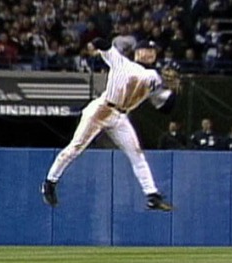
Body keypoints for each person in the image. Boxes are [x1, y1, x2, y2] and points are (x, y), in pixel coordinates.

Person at [41, 39, 178, 211]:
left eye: (153, 50)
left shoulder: (155, 79)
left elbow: (166, 108)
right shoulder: (120, 61)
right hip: (101, 110)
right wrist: (96, 45)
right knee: (75, 148)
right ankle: (50, 182)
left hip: (120, 117)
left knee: (137, 155)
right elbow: (102, 42)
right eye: (146, 49)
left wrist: (174, 92)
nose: (150, 53)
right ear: (137, 51)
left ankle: (152, 195)